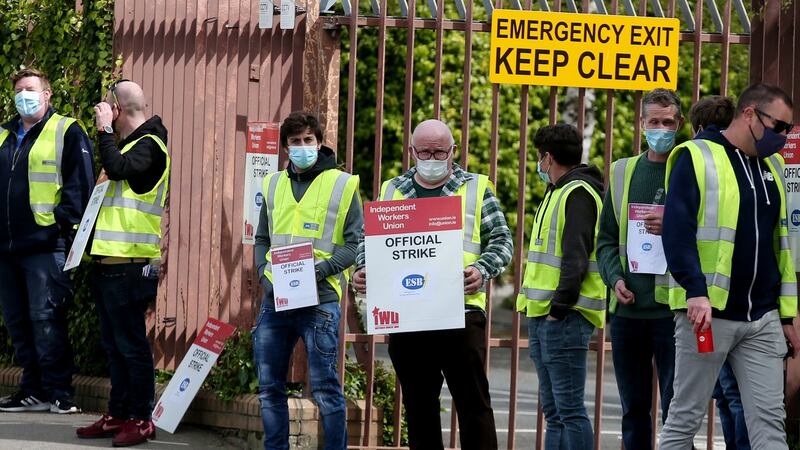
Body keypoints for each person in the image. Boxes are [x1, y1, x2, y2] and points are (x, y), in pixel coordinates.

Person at [353, 119, 513, 450]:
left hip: (461, 311)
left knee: (473, 403)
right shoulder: (392, 189)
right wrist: (364, 267)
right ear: (412, 151)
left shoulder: (477, 187)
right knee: (419, 405)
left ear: (453, 151)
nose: (432, 157)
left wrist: (482, 270)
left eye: (439, 151)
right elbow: (368, 241)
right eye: (424, 151)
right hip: (408, 314)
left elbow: (501, 240)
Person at [659, 83, 800, 449]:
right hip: (708, 314)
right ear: (750, 113)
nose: (783, 137)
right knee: (685, 418)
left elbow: (778, 247)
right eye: (779, 127)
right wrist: (695, 291)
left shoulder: (773, 165)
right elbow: (677, 231)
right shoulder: (697, 156)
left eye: (788, 129)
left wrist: (786, 317)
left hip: (762, 319)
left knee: (769, 422)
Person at [252, 111, 362, 449]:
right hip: (276, 300)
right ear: (286, 146)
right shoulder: (272, 184)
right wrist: (263, 276)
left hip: (322, 300)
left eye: (308, 141)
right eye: (295, 142)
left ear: (319, 141)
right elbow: (262, 239)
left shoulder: (342, 184)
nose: (302, 147)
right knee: (270, 388)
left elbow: (354, 244)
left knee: (327, 389)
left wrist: (319, 270)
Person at [76, 80, 169, 447]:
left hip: (131, 265)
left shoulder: (150, 146)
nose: (102, 113)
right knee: (114, 345)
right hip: (108, 263)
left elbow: (116, 168)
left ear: (118, 109)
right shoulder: (130, 145)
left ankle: (141, 418)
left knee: (132, 345)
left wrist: (102, 131)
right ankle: (118, 412)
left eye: (106, 107)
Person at [0, 67, 94, 414]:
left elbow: (79, 185)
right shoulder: (4, 134)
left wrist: (60, 227)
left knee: (46, 319)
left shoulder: (66, 130)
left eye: (31, 89)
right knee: (18, 322)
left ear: (47, 94)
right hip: (7, 248)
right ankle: (32, 389)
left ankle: (59, 391)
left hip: (45, 245)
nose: (24, 95)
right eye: (19, 89)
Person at [596, 89, 682, 450]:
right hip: (629, 311)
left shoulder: (689, 169)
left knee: (676, 413)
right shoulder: (621, 171)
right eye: (654, 122)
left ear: (679, 124)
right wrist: (614, 278)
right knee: (633, 411)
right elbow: (604, 240)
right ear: (641, 123)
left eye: (667, 122)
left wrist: (675, 223)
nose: (660, 129)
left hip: (673, 311)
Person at [517, 123, 604, 450]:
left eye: (539, 158)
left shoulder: (578, 193)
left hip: (564, 316)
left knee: (568, 410)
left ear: (548, 157)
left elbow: (575, 258)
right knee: (554, 411)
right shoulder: (559, 191)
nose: (539, 165)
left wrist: (558, 310)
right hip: (545, 315)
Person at [689, 95, 750, 450]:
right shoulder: (745, 164)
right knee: (730, 392)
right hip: (734, 296)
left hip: (709, 299)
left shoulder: (700, 161)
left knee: (729, 393)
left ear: (698, 128)